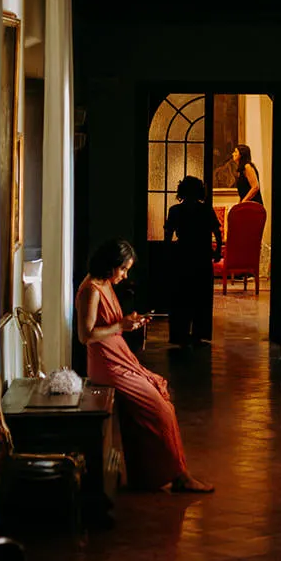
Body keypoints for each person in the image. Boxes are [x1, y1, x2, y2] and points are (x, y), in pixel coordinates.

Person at [77, 238, 214, 492]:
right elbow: (85, 336)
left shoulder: (105, 283)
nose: (124, 275)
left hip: (119, 356)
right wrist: (121, 326)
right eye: (123, 269)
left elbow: (111, 325)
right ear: (110, 264)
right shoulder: (91, 290)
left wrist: (132, 322)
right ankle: (179, 476)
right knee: (161, 410)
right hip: (107, 365)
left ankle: (150, 475)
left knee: (160, 403)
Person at [163, 175, 222, 347]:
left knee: (180, 297)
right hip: (202, 256)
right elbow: (217, 233)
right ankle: (199, 333)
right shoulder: (206, 210)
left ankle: (179, 334)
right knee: (201, 298)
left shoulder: (175, 210)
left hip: (182, 256)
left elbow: (168, 234)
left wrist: (167, 253)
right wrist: (217, 250)